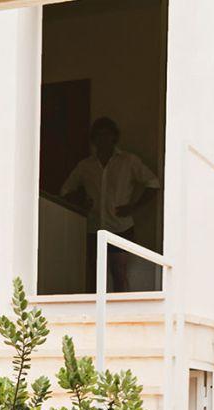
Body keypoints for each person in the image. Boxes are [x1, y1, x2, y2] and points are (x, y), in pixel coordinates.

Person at [61, 117, 160, 292]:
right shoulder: (85, 166)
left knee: (119, 272)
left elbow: (153, 183)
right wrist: (81, 203)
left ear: (114, 137)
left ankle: (119, 314)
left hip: (121, 226)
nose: (103, 139)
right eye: (98, 136)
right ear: (93, 139)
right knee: (93, 273)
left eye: (107, 135)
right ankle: (93, 313)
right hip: (93, 226)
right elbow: (66, 190)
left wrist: (134, 207)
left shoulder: (128, 161)